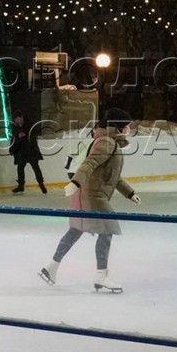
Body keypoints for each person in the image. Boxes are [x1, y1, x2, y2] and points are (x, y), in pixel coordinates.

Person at [40, 108, 139, 293]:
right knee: (107, 230)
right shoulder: (107, 143)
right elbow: (90, 163)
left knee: (76, 230)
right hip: (93, 196)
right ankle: (101, 275)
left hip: (85, 193)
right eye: (126, 126)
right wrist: (75, 183)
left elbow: (112, 177)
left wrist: (129, 193)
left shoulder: (106, 141)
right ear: (117, 127)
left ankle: (51, 266)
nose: (129, 130)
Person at [9, 114, 46, 194]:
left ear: (22, 117)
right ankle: (21, 186)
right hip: (22, 152)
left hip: (31, 151)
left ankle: (41, 184)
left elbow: (34, 133)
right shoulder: (15, 128)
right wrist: (12, 149)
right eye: (16, 119)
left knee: (36, 167)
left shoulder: (29, 125)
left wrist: (25, 134)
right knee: (20, 168)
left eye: (18, 118)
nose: (17, 121)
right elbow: (14, 139)